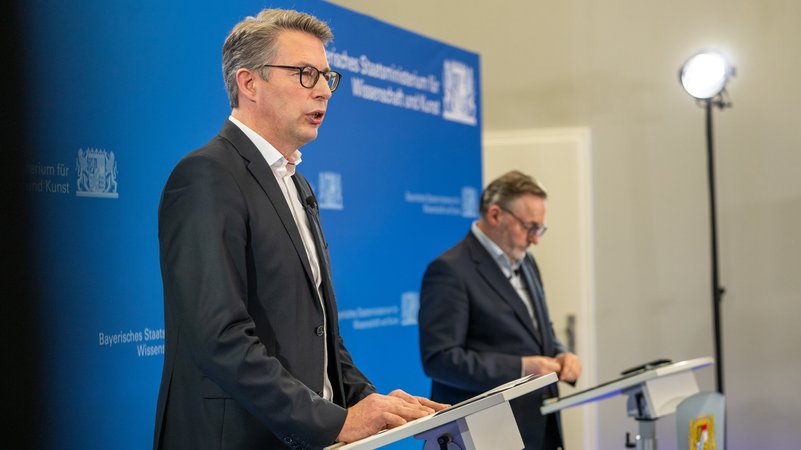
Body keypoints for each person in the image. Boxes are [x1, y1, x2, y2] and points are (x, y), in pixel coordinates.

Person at [153, 9, 445, 450]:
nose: (324, 90)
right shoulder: (207, 175)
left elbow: (320, 334)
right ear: (249, 83)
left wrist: (370, 402)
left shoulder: (296, 183)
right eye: (306, 74)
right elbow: (219, 337)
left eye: (327, 77)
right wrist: (333, 422)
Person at [419, 170, 582, 450]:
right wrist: (522, 367)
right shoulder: (450, 270)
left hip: (538, 425)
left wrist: (561, 353)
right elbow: (440, 359)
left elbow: (538, 329)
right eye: (529, 227)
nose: (535, 239)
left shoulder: (527, 262)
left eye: (540, 229)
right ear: (495, 215)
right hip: (485, 433)